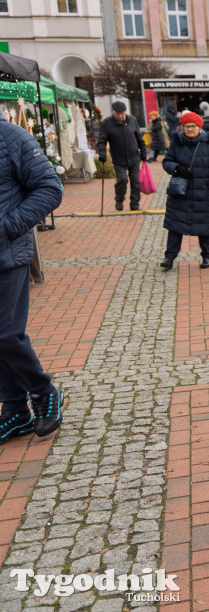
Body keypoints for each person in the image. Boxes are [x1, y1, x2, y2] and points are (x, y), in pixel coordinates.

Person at [0, 115, 67, 444]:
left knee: (6, 334)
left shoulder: (13, 137)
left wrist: (8, 228)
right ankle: (15, 410)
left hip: (7, 254)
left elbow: (50, 189)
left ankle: (44, 391)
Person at [159, 111, 209, 270]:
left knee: (204, 227)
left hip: (204, 192)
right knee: (175, 227)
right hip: (180, 193)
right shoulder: (177, 142)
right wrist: (178, 169)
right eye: (187, 126)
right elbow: (167, 162)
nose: (190, 129)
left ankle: (207, 256)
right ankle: (169, 258)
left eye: (193, 126)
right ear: (182, 128)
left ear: (199, 127)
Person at [96, 101, 147, 211]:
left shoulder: (132, 120)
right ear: (113, 111)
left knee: (135, 181)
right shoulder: (106, 123)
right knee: (122, 180)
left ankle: (134, 203)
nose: (120, 116)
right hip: (118, 158)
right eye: (118, 114)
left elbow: (139, 137)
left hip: (134, 157)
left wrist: (143, 151)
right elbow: (101, 140)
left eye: (122, 114)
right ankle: (119, 198)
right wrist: (102, 153)